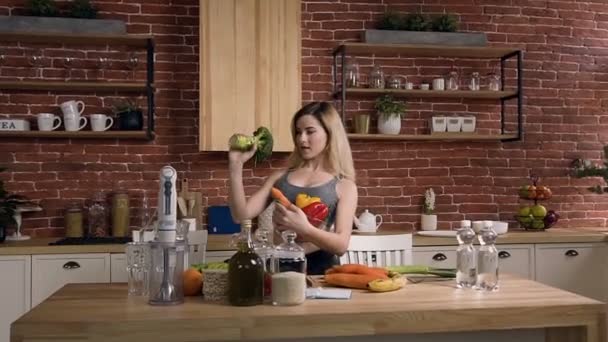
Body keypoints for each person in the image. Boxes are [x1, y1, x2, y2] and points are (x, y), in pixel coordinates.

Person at [228, 101, 358, 275]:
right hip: (278, 264)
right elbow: (240, 215)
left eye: (310, 131)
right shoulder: (280, 177)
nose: (301, 139)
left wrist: (304, 228)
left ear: (330, 134)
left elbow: (341, 245)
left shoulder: (344, 186)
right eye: (298, 132)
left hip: (320, 270)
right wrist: (235, 165)